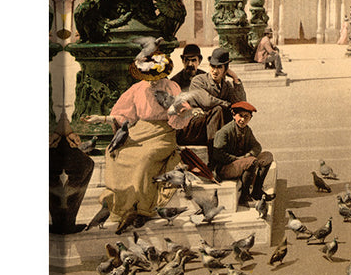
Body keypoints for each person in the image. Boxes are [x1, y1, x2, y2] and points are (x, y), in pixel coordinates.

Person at [83, 51, 194, 230]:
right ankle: (119, 202)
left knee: (145, 159)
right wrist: (100, 118)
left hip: (163, 133)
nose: (152, 81)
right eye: (148, 76)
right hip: (139, 131)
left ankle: (141, 209)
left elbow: (183, 111)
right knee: (114, 152)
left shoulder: (171, 87)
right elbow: (124, 115)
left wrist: (180, 112)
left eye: (155, 76)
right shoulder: (137, 88)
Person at [172, 47, 247, 164]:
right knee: (218, 110)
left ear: (226, 69)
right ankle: (215, 161)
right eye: (213, 66)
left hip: (209, 128)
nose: (215, 71)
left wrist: (236, 80)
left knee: (230, 114)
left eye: (219, 67)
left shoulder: (226, 86)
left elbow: (241, 104)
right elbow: (207, 102)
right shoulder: (199, 80)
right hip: (190, 128)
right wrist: (227, 104)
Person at [212, 101, 274, 206]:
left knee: (267, 156)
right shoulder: (225, 132)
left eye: (246, 117)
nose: (243, 119)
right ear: (233, 115)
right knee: (252, 162)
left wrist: (248, 154)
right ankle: (244, 196)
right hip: (224, 168)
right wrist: (237, 159)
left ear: (250, 118)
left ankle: (257, 191)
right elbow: (218, 154)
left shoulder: (246, 130)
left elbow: (256, 146)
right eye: (240, 116)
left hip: (240, 163)